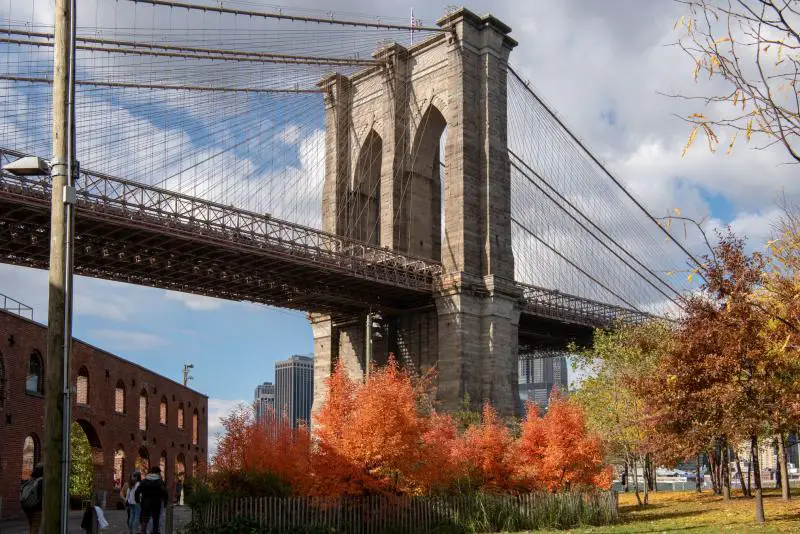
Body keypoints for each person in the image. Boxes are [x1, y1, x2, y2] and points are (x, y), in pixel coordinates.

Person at [135, 466, 168, 534]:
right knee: (155, 519)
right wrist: (165, 502)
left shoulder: (144, 481)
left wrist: (137, 500)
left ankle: (143, 532)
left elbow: (137, 491)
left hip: (145, 503)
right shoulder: (159, 482)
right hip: (156, 503)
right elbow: (165, 492)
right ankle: (154, 532)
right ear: (158, 473)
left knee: (144, 519)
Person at [19, 464, 43, 534]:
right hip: (37, 507)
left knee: (32, 525)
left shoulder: (31, 480)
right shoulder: (42, 481)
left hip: (27, 506)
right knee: (35, 526)